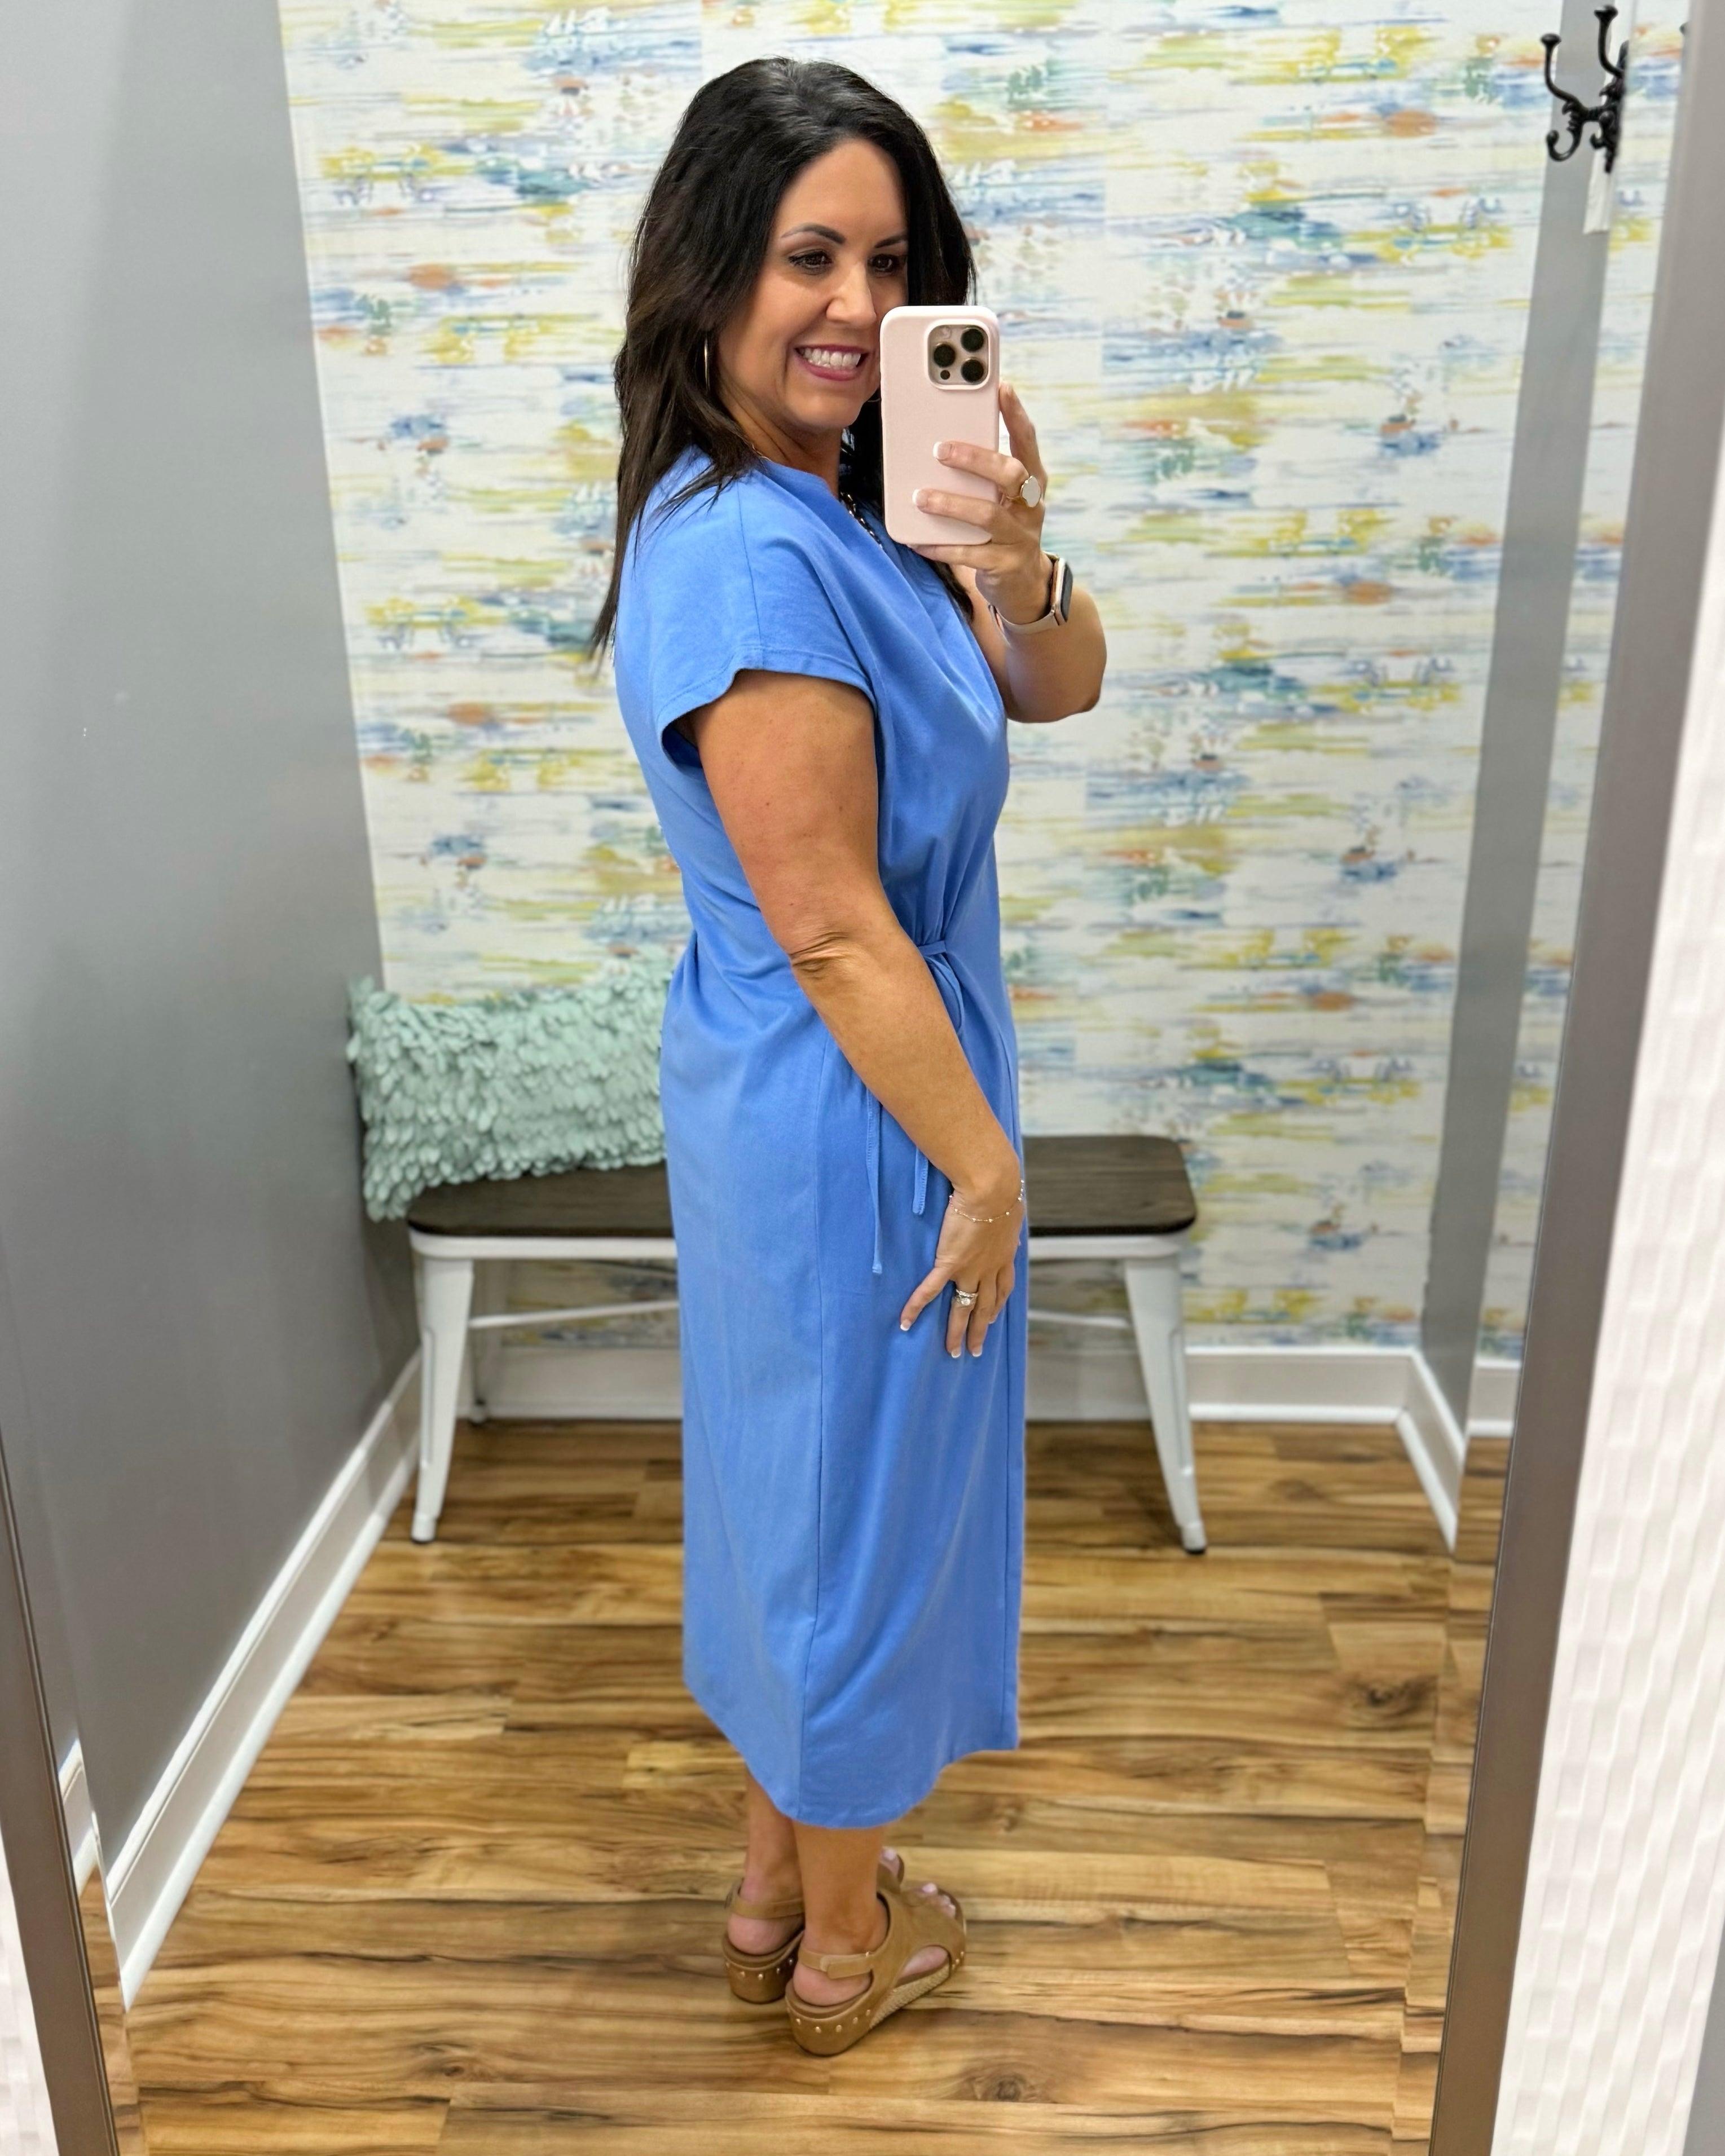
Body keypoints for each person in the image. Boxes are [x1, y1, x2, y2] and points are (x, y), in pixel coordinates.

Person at [592, 54, 1105, 2056]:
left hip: (824, 1090)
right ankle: (837, 1950)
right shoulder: (749, 554)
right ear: (711, 268)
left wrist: (1015, 555)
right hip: (862, 1108)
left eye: (888, 262)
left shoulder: (862, 498)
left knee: (807, 1510)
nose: (849, 304)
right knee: (865, 1536)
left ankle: (762, 1889)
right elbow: (824, 918)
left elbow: (1051, 685)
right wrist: (983, 1165)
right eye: (806, 253)